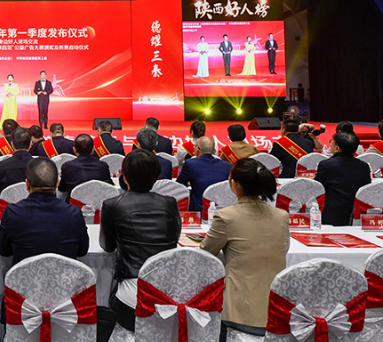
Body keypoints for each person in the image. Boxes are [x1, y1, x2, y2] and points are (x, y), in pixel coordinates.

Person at [200, 159, 289, 340]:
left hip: (239, 311)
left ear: (235, 184)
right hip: (277, 310)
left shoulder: (226, 217)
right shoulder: (282, 216)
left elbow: (205, 254)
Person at [100, 149, 182, 332]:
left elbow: (107, 246)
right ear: (156, 176)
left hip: (132, 297)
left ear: (124, 176)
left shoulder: (112, 205)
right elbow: (174, 239)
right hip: (169, 293)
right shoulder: (170, 203)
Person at [0, 157, 88, 264]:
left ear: (27, 184)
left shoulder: (13, 213)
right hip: (65, 275)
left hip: (25, 275)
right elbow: (82, 251)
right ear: (57, 183)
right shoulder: (74, 214)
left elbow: (4, 251)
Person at [315, 132, 371, 226]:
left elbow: (317, 188)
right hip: (357, 214)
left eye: (331, 143)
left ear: (337, 148)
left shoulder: (326, 165)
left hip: (332, 215)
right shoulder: (364, 166)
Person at [176, 137, 232, 212]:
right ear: (214, 151)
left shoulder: (190, 164)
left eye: (195, 146)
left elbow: (180, 185)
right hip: (223, 209)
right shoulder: (227, 166)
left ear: (198, 149)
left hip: (199, 210)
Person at [59, 133, 114, 199]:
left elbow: (62, 189)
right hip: (98, 203)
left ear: (74, 150)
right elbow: (110, 186)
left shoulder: (67, 167)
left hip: (73, 204)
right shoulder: (103, 166)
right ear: (93, 149)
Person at [0, 128, 33, 205]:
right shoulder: (40, 166)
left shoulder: (1, 166)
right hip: (34, 209)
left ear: (12, 144)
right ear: (30, 144)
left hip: (7, 209)